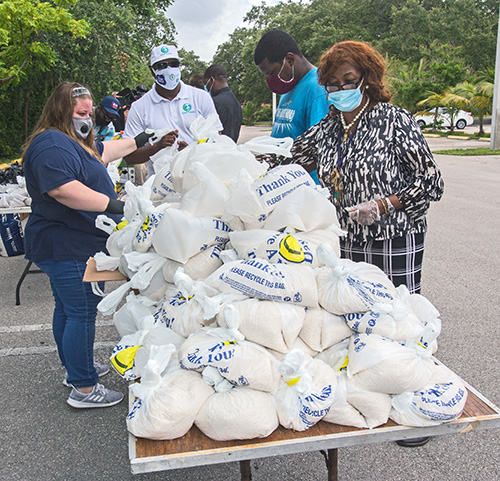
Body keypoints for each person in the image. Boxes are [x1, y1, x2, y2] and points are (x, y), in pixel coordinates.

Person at [258, 41, 444, 445]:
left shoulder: (394, 121)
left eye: (349, 80)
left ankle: (417, 403)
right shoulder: (329, 127)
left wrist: (384, 204)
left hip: (393, 238)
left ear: (368, 80)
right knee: (360, 323)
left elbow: (431, 182)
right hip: (348, 242)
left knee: (398, 321)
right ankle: (376, 400)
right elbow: (289, 157)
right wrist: (241, 161)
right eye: (332, 83)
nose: (340, 88)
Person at [21, 81, 155, 409]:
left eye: (88, 111)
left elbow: (104, 154)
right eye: (78, 110)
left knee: (66, 309)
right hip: (65, 243)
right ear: (60, 109)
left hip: (66, 241)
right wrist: (116, 206)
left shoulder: (71, 140)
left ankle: (74, 369)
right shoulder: (52, 144)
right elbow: (62, 189)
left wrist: (138, 142)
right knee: (80, 311)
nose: (86, 115)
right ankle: (83, 388)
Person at [123, 44, 223, 177]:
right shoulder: (140, 107)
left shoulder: (200, 97)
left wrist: (190, 152)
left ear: (180, 66)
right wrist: (157, 147)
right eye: (161, 66)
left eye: (173, 64)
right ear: (152, 71)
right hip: (159, 186)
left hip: (197, 180)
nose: (169, 70)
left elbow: (218, 141)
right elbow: (129, 157)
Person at [254, 29, 330, 181]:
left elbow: (319, 149)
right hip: (281, 182)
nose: (270, 79)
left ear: (289, 60)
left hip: (306, 187)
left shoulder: (317, 89)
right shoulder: (289, 88)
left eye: (271, 72)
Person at [203, 64, 243, 142]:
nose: (206, 87)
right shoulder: (235, 102)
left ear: (211, 80)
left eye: (206, 84)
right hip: (232, 147)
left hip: (218, 149)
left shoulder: (214, 102)